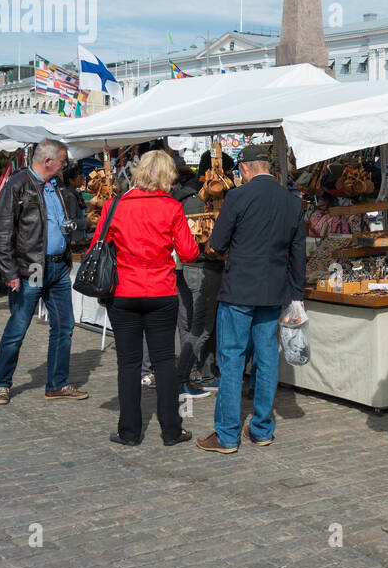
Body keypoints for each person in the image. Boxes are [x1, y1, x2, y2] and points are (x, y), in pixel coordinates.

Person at [85, 150, 200, 446]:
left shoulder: (114, 205)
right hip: (160, 290)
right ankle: (171, 430)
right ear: (167, 176)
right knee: (163, 362)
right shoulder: (171, 207)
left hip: (123, 291)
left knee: (128, 364)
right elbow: (189, 253)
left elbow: (96, 248)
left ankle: (130, 431)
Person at [198, 144, 306, 453]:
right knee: (268, 357)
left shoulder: (238, 196)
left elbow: (217, 243)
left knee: (232, 359)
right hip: (274, 290)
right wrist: (297, 294)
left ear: (245, 168)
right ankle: (261, 429)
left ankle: (228, 435)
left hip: (240, 289)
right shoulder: (291, 201)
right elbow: (298, 253)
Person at [0, 139, 88, 405]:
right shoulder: (18, 185)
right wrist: (9, 272)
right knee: (18, 327)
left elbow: (61, 224)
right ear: (48, 161)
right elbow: (2, 233)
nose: (65, 165)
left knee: (64, 326)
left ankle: (57, 384)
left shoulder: (58, 188)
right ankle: (1, 383)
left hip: (57, 265)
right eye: (63, 160)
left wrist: (68, 251)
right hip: (32, 266)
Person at [171, 150, 232, 395]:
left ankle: (206, 373)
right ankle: (181, 378)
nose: (229, 178)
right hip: (202, 265)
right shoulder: (199, 198)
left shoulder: (183, 194)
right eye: (226, 174)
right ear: (214, 172)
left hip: (186, 267)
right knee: (202, 327)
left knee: (191, 324)